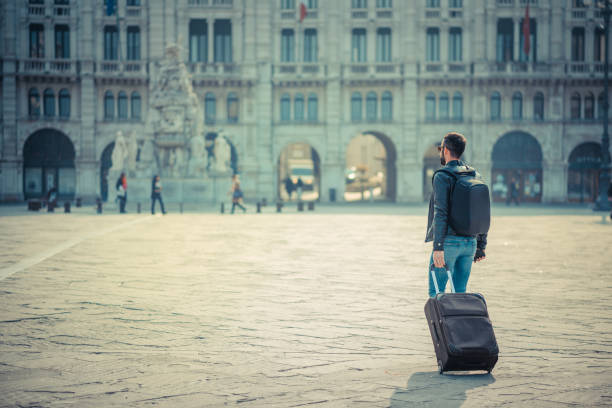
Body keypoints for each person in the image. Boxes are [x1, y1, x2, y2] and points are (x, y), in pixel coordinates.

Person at [425, 132, 487, 298]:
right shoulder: (475, 174)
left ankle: (440, 325)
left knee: (436, 292)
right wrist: (481, 245)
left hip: (448, 243)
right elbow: (481, 210)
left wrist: (438, 247)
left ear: (445, 150)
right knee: (460, 293)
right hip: (470, 244)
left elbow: (441, 212)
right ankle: (457, 325)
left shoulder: (442, 176)